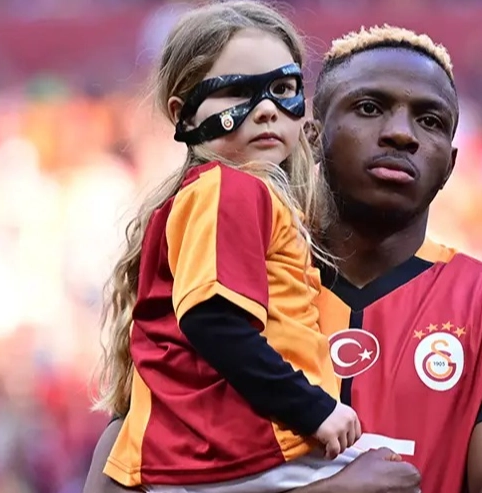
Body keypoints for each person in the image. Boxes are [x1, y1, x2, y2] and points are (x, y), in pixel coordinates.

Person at [85, 22, 482, 493]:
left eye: (429, 121)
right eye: (369, 108)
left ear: (450, 164)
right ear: (312, 134)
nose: (401, 133)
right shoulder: (218, 268)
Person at [91, 2, 369, 492]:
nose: (266, 109)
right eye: (238, 91)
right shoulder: (227, 190)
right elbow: (213, 321)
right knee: (396, 474)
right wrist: (313, 409)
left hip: (219, 454)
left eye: (282, 88)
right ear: (182, 113)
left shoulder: (223, 193)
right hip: (236, 451)